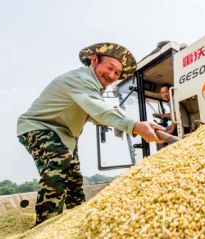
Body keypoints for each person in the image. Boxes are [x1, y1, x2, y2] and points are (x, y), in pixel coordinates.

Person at [17, 42, 165, 225]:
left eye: (117, 73)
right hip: (39, 127)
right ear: (94, 61)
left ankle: (75, 219)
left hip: (65, 135)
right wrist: (135, 126)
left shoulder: (94, 89)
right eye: (109, 68)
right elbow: (98, 110)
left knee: (74, 180)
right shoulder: (81, 79)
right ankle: (44, 225)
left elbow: (95, 114)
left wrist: (126, 119)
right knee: (59, 162)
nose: (111, 75)